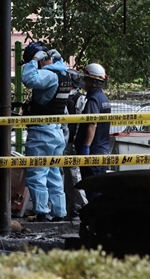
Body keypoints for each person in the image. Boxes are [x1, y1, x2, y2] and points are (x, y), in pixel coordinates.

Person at [21, 42, 73, 222]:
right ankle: (59, 213)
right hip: (57, 131)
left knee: (37, 173)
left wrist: (34, 60)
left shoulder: (50, 75)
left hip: (42, 133)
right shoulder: (63, 73)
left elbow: (29, 79)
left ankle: (42, 213)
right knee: (54, 174)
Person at [74, 63, 111, 180]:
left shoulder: (93, 100)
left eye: (86, 79)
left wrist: (86, 146)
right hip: (102, 150)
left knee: (92, 188)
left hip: (93, 151)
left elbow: (92, 124)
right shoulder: (103, 98)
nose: (83, 81)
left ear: (93, 81)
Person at [61, 65, 88, 220]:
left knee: (74, 177)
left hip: (72, 144)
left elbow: (80, 125)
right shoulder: (66, 98)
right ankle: (71, 208)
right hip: (65, 143)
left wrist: (78, 144)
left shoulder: (79, 99)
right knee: (67, 178)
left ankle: (81, 207)